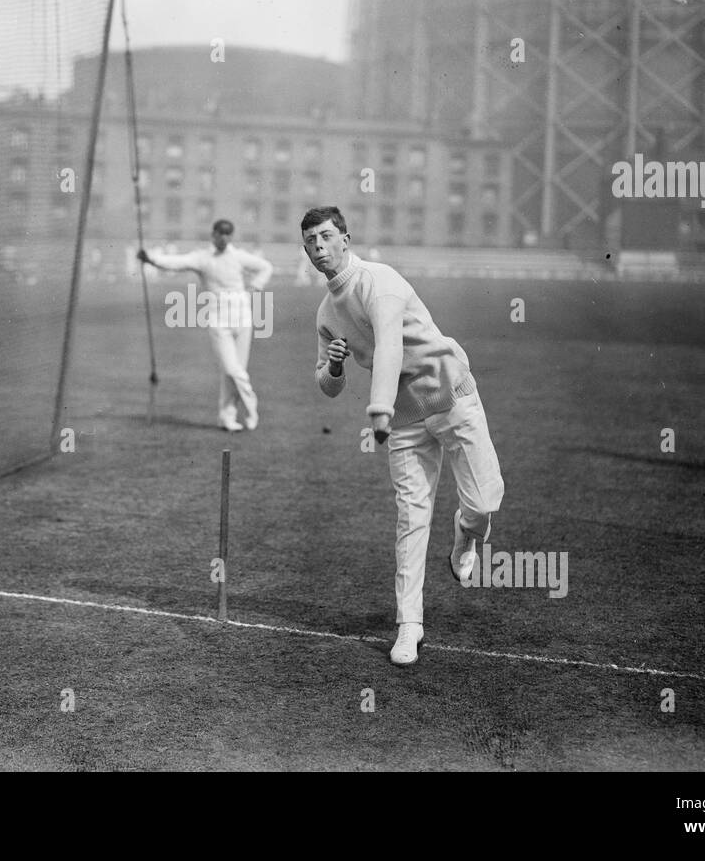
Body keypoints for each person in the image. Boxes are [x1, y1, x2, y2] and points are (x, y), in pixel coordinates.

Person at [301, 206, 503, 667]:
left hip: (450, 396)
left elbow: (390, 343)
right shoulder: (326, 312)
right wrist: (334, 366)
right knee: (411, 519)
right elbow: (327, 386)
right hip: (406, 422)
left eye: (327, 236)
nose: (319, 247)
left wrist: (378, 411)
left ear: (346, 239)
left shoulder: (380, 281)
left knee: (484, 504)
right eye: (310, 240)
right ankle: (409, 625)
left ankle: (466, 537)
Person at [138, 219, 272, 432]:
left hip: (243, 318)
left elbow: (265, 267)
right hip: (218, 319)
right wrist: (151, 259)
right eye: (220, 233)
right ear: (213, 235)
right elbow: (176, 262)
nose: (224, 238)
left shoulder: (237, 256)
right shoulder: (202, 258)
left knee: (234, 373)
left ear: (231, 236)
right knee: (231, 368)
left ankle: (227, 418)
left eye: (228, 234)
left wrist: (254, 287)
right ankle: (252, 409)